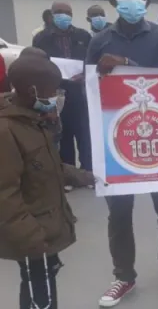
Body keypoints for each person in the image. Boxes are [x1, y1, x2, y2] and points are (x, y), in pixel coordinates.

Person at [85, 0, 158, 307]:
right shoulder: (100, 39)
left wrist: (127, 65)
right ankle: (123, 276)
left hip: (157, 134)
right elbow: (88, 87)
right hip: (116, 137)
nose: (133, 1)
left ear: (146, 2)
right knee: (119, 211)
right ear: (114, 1)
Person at [0, 55, 89, 309]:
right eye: (53, 91)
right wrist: (32, 238)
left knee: (41, 285)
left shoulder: (31, 121)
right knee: (41, 298)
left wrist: (81, 175)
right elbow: (4, 195)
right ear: (32, 90)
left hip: (42, 229)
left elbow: (44, 166)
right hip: (30, 236)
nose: (56, 96)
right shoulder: (6, 132)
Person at [32, 1, 93, 178]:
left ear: (72, 15)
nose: (63, 16)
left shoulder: (83, 36)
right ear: (52, 15)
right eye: (58, 12)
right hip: (57, 92)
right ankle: (69, 174)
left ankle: (88, 172)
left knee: (84, 133)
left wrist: (85, 74)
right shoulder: (42, 38)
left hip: (80, 91)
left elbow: (91, 61)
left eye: (67, 12)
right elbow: (38, 63)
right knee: (63, 133)